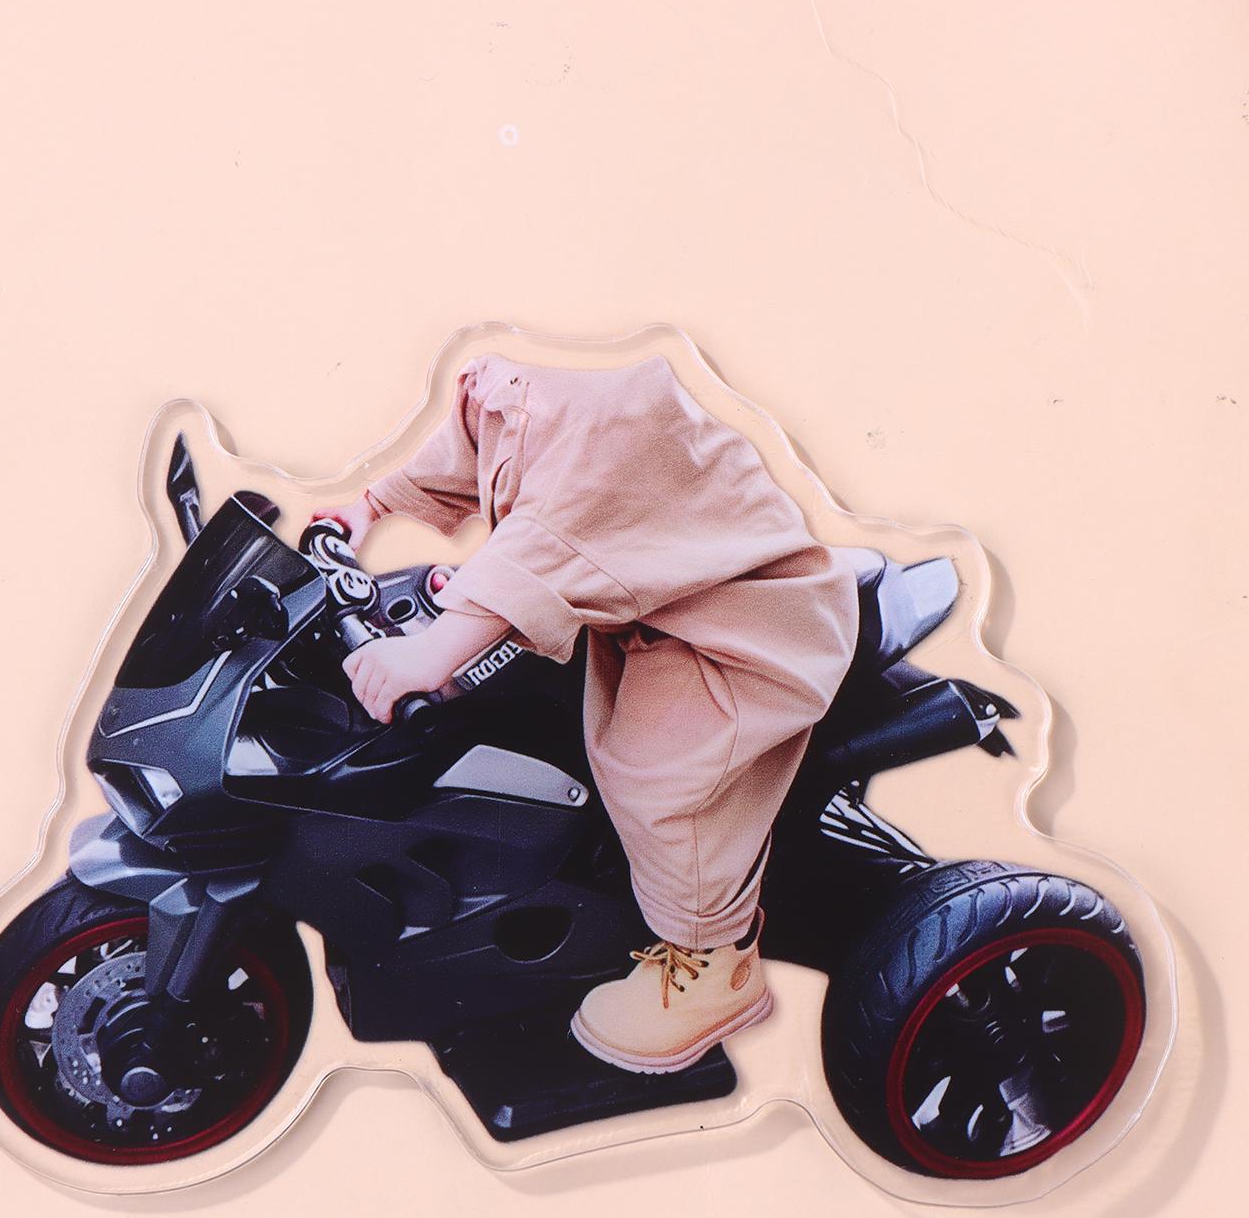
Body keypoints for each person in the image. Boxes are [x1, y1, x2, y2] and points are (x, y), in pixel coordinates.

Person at [314, 352, 858, 1073]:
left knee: (655, 774)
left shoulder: (604, 397)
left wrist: (434, 652)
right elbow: (478, 442)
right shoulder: (516, 367)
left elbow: (551, 538)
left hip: (743, 623)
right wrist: (375, 504)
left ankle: (715, 962)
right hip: (662, 594)